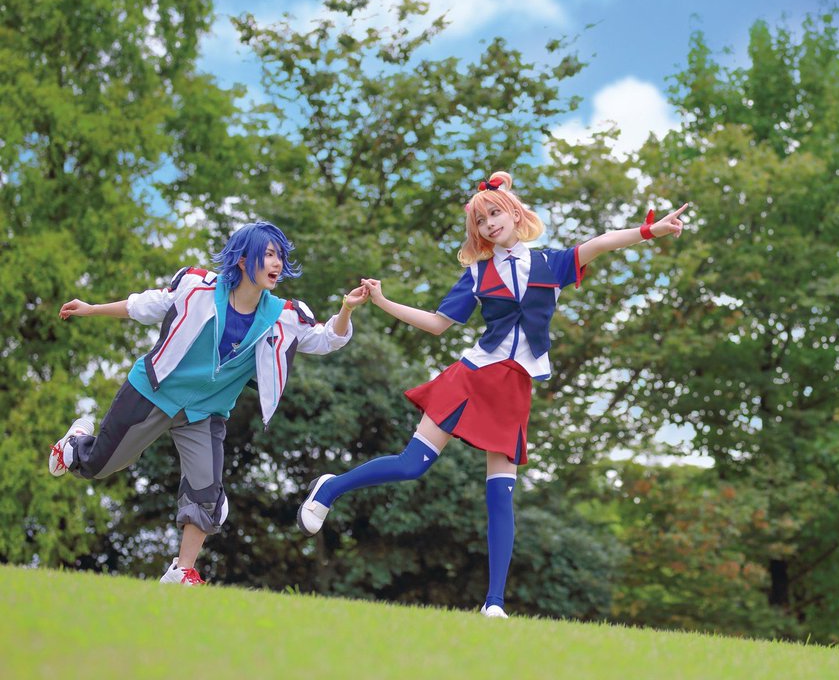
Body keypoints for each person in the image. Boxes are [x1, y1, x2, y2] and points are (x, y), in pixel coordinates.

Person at [297, 171, 688, 617]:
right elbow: (438, 323)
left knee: (501, 495)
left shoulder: (552, 264)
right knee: (412, 465)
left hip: (514, 388)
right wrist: (383, 302)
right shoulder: (478, 273)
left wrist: (649, 231)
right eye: (481, 222)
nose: (489, 225)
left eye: (495, 214)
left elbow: (600, 243)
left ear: (515, 214)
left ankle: (494, 603)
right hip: (472, 377)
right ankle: (330, 489)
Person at [51, 221, 369, 585]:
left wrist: (346, 309)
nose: (277, 263)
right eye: (268, 254)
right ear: (243, 259)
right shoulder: (197, 287)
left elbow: (326, 339)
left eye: (280, 256)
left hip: (205, 412)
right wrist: (91, 309)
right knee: (100, 465)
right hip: (154, 390)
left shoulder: (284, 317)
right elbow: (145, 305)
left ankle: (181, 571)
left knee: (206, 493)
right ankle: (74, 446)